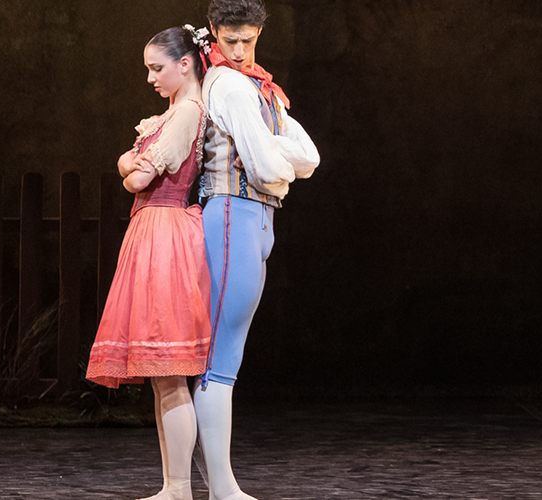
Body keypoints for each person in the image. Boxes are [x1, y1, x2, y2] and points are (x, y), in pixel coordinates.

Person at [195, 1, 321, 498]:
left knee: (230, 354)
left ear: (260, 33)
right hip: (232, 212)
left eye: (249, 40)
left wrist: (274, 157)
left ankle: (207, 483)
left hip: (257, 218)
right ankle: (222, 487)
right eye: (230, 41)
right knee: (221, 357)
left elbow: (310, 156)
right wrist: (275, 160)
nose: (241, 50)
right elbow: (269, 169)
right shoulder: (226, 84)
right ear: (213, 33)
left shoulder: (261, 87)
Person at [86, 25, 213, 500]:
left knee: (170, 370)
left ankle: (179, 486)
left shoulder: (185, 114)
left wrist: (130, 165)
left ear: (185, 64)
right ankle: (171, 485)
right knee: (163, 378)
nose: (150, 78)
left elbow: (138, 180)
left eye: (156, 68)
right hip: (153, 232)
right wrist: (129, 164)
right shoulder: (170, 114)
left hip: (166, 233)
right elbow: (130, 168)